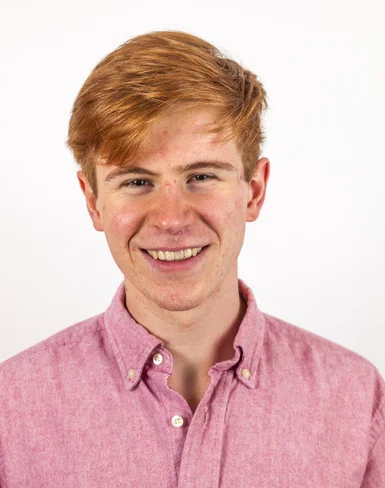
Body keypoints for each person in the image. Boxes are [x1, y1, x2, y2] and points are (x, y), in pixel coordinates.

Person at [0, 31, 383, 487]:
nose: (171, 218)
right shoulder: (12, 407)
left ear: (254, 191)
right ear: (93, 201)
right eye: (137, 182)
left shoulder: (356, 398)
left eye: (201, 176)